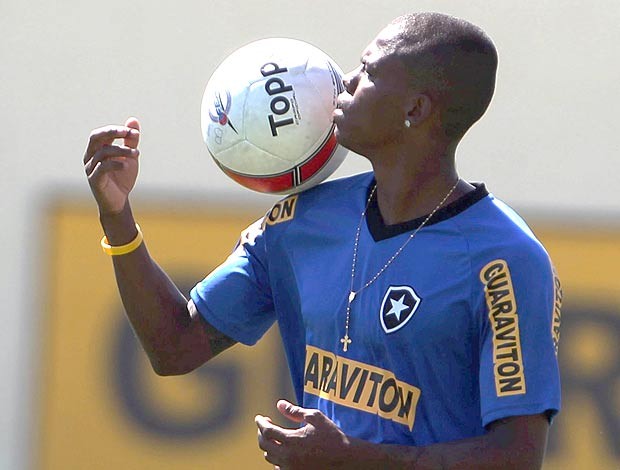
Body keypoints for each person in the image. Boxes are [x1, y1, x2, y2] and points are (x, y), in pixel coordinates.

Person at [83, 11, 562, 469]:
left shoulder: (507, 260)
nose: (346, 80)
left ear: (415, 109)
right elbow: (174, 347)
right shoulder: (300, 220)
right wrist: (117, 216)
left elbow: (515, 458)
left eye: (369, 71)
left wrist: (352, 460)